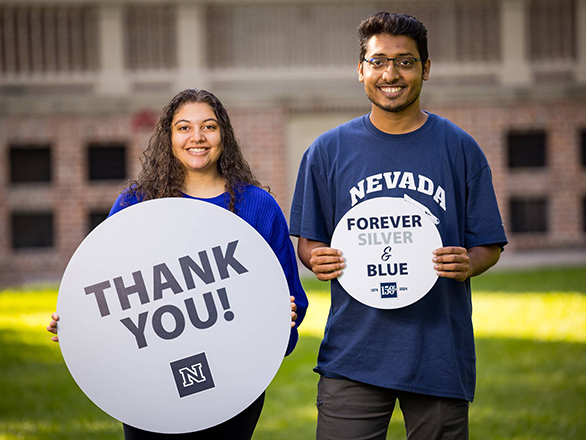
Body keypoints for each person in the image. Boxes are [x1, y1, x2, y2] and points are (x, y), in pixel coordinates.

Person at [290, 12, 507, 440]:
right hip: (353, 353)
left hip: (438, 353)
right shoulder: (327, 152)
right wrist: (319, 259)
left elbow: (489, 245)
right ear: (361, 70)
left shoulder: (460, 148)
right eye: (378, 61)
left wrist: (469, 262)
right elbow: (309, 241)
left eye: (405, 62)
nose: (391, 74)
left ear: (425, 68)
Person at [47, 88, 308, 440]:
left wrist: (282, 322)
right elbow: (106, 280)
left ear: (224, 136)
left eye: (209, 127)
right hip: (148, 386)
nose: (197, 137)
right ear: (168, 137)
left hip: (233, 382)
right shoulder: (136, 203)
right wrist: (80, 324)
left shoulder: (257, 207)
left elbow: (290, 297)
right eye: (184, 127)